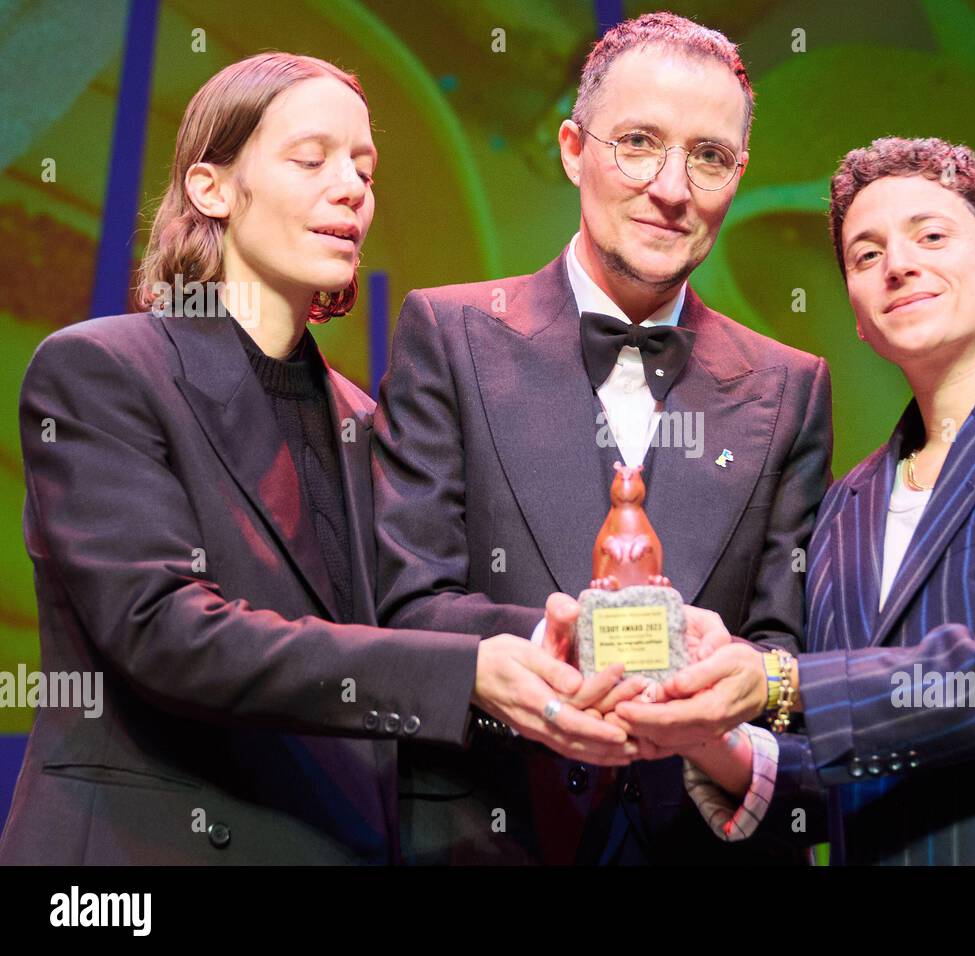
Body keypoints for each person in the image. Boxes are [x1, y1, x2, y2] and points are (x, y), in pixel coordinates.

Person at [0, 52, 625, 865]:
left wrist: (560, 639)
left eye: (364, 168)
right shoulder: (101, 371)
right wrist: (467, 671)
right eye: (312, 159)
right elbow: (165, 632)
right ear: (210, 188)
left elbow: (408, 617)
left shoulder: (366, 421)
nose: (352, 188)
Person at [617, 137, 975, 866]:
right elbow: (852, 752)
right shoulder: (842, 506)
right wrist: (709, 729)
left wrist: (781, 681)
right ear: (859, 316)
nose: (898, 264)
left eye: (931, 236)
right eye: (866, 255)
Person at [373, 12, 832, 865]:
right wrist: (586, 649)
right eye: (638, 142)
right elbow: (407, 601)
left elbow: (782, 656)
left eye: (709, 156)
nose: (672, 187)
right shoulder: (449, 331)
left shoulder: (790, 384)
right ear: (571, 148)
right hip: (485, 831)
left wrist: (708, 704)